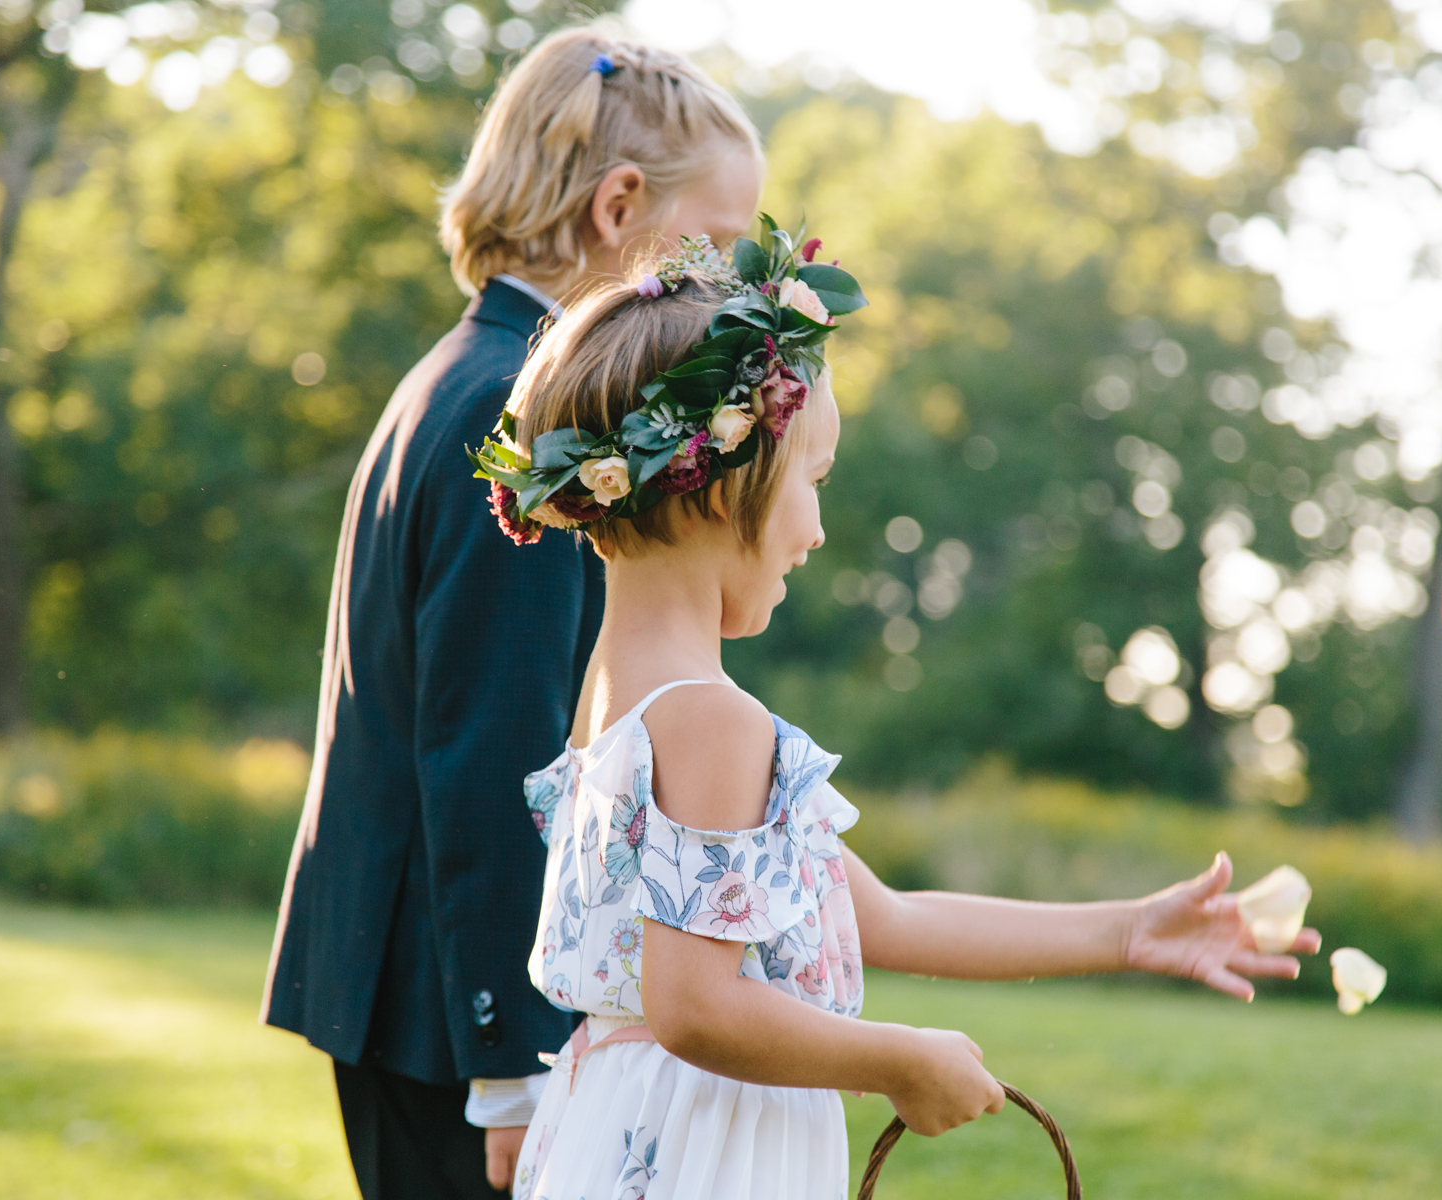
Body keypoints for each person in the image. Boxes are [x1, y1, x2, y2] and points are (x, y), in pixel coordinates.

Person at [466, 233, 1324, 1200]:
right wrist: (897, 1059)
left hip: (620, 1132)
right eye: (814, 483)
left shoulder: (616, 700)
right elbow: (694, 1007)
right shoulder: (714, 722)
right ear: (722, 486)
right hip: (700, 1153)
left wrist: (1130, 932)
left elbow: (887, 918)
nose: (817, 531)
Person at [261, 28, 763, 1200]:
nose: (727, 286)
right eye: (719, 244)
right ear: (619, 205)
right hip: (450, 1017)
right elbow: (492, 745)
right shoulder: (525, 418)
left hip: (403, 987)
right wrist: (515, 1063)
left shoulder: (462, 370)